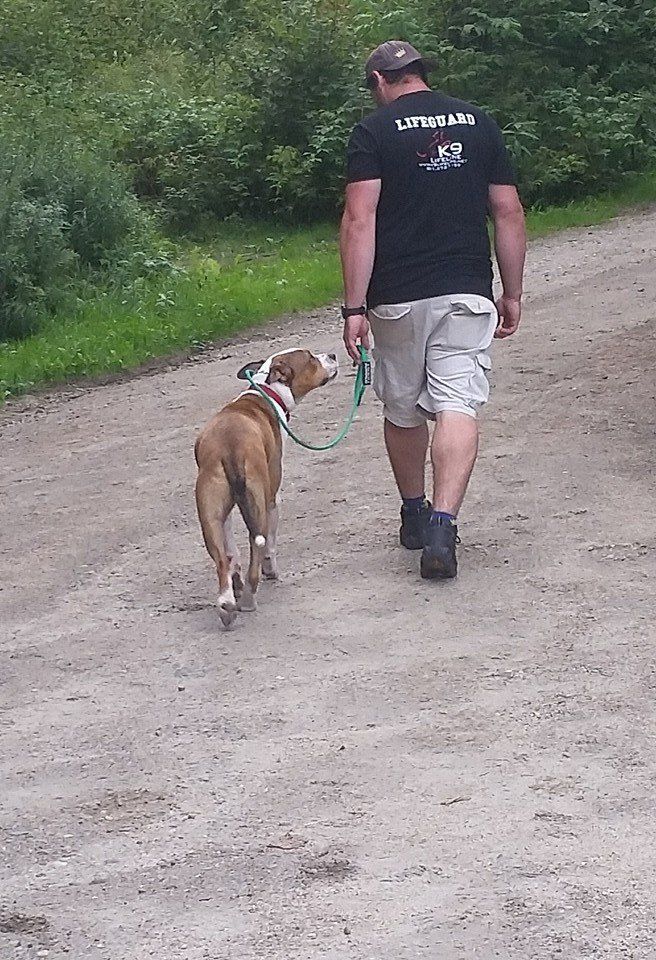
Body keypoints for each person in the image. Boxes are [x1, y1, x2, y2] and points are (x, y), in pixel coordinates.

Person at [340, 40, 526, 580]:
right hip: (466, 289)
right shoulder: (479, 123)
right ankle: (444, 524)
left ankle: (415, 514)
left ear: (379, 80)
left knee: (401, 409)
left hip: (396, 295)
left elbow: (359, 220)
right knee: (457, 403)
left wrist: (354, 306)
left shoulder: (373, 133)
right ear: (421, 74)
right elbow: (508, 211)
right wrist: (510, 292)